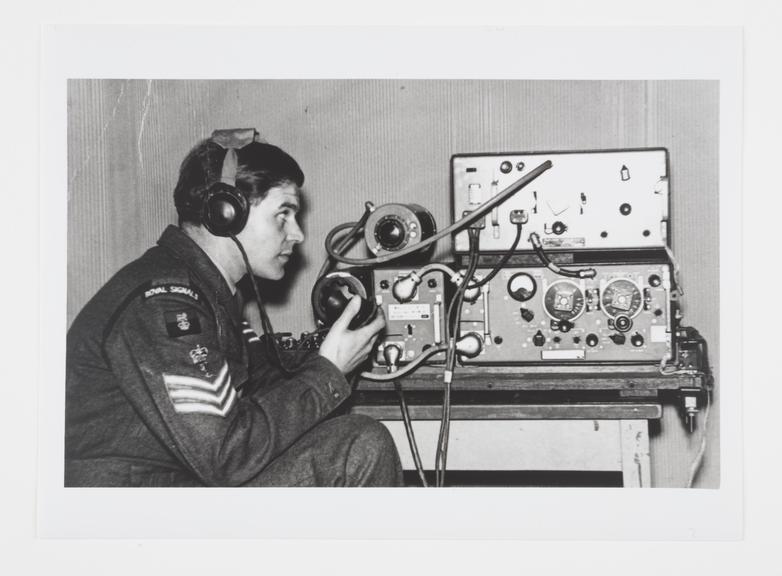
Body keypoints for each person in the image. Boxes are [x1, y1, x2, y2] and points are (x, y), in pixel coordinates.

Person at [65, 129, 403, 487]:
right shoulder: (165, 302)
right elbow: (225, 454)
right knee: (359, 447)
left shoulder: (208, 294)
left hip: (174, 489)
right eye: (283, 214)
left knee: (356, 442)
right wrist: (327, 371)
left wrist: (330, 353)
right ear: (227, 212)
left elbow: (265, 386)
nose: (298, 234)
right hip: (129, 509)